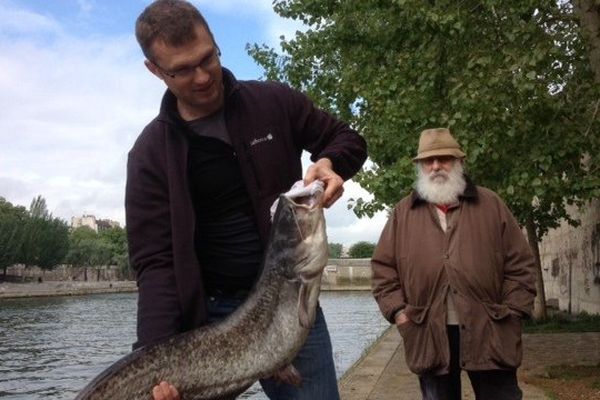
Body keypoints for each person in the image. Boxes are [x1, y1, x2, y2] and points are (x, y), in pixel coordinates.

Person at [126, 1, 367, 399]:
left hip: (289, 302)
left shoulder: (273, 103)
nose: (203, 77)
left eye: (208, 58)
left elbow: (349, 140)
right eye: (183, 70)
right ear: (155, 70)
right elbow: (156, 262)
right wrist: (155, 356)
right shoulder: (150, 154)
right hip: (205, 318)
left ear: (217, 44)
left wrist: (329, 162)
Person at [371, 128, 536, 400]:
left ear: (459, 162)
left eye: (444, 158)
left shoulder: (491, 204)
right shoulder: (403, 213)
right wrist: (400, 314)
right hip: (428, 332)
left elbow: (520, 265)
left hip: (491, 327)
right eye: (428, 161)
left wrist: (513, 312)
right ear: (420, 167)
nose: (436, 166)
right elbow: (383, 272)